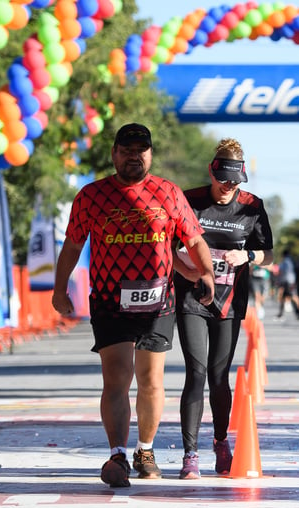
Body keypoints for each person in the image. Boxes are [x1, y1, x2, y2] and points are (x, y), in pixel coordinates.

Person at [52, 123, 215, 488]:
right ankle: (118, 454)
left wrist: (206, 273)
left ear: (150, 154)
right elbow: (73, 247)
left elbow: (194, 239)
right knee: (117, 378)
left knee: (151, 381)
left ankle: (145, 449)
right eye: (126, 149)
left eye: (141, 150)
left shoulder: (168, 192)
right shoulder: (91, 196)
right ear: (114, 154)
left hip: (158, 301)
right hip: (111, 300)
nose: (133, 156)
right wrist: (59, 289)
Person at [172, 138, 273, 480]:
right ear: (212, 173)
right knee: (196, 373)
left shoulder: (251, 206)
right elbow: (166, 247)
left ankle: (219, 441)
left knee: (218, 377)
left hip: (230, 301)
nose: (229, 188)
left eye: (235, 181)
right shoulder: (189, 201)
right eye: (223, 180)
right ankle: (190, 454)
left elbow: (267, 254)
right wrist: (188, 271)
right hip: (192, 298)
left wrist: (247, 256)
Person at [274, 249, 299, 319]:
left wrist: (279, 281)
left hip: (288, 281)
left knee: (293, 296)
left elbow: (282, 271)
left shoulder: (286, 261)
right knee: (285, 297)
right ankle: (281, 313)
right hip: (290, 281)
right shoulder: (291, 260)